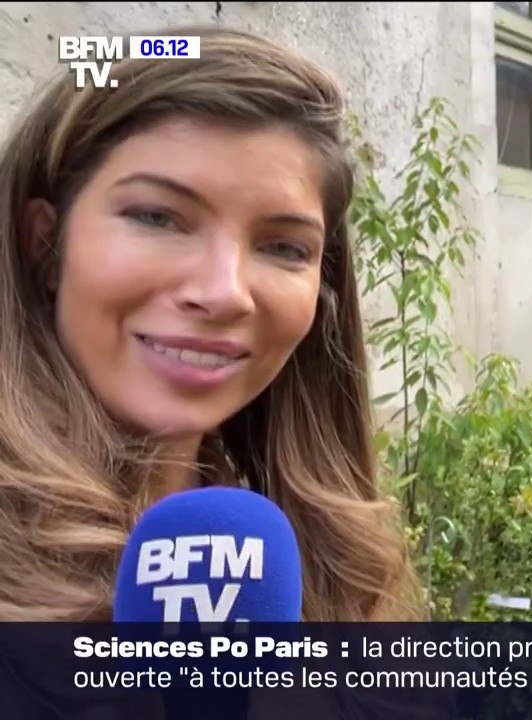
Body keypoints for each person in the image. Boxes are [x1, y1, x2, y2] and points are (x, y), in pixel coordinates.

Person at [0, 25, 434, 718]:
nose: (226, 290)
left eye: (284, 247)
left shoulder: (324, 569)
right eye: (158, 217)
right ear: (45, 242)